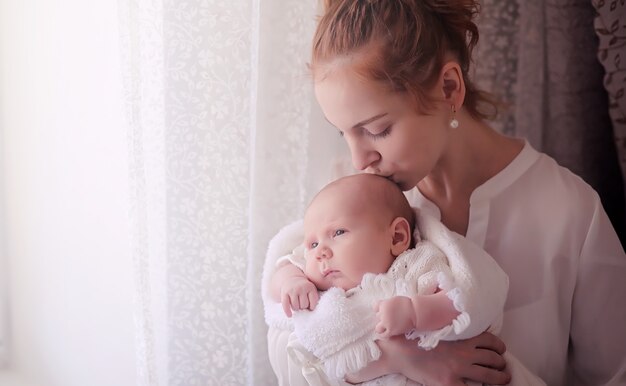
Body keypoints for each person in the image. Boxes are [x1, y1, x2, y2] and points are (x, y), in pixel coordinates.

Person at [264, 0, 626, 385]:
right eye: (344, 132)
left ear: (448, 87)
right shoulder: (350, 201)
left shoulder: (568, 211)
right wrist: (397, 357)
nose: (359, 160)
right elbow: (287, 344)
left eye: (377, 129)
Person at [264, 173, 543, 385]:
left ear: (397, 237)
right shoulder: (324, 299)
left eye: (338, 233)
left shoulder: (415, 264)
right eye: (312, 245)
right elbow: (286, 269)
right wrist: (291, 281)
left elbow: (458, 302)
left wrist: (416, 311)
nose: (320, 252)